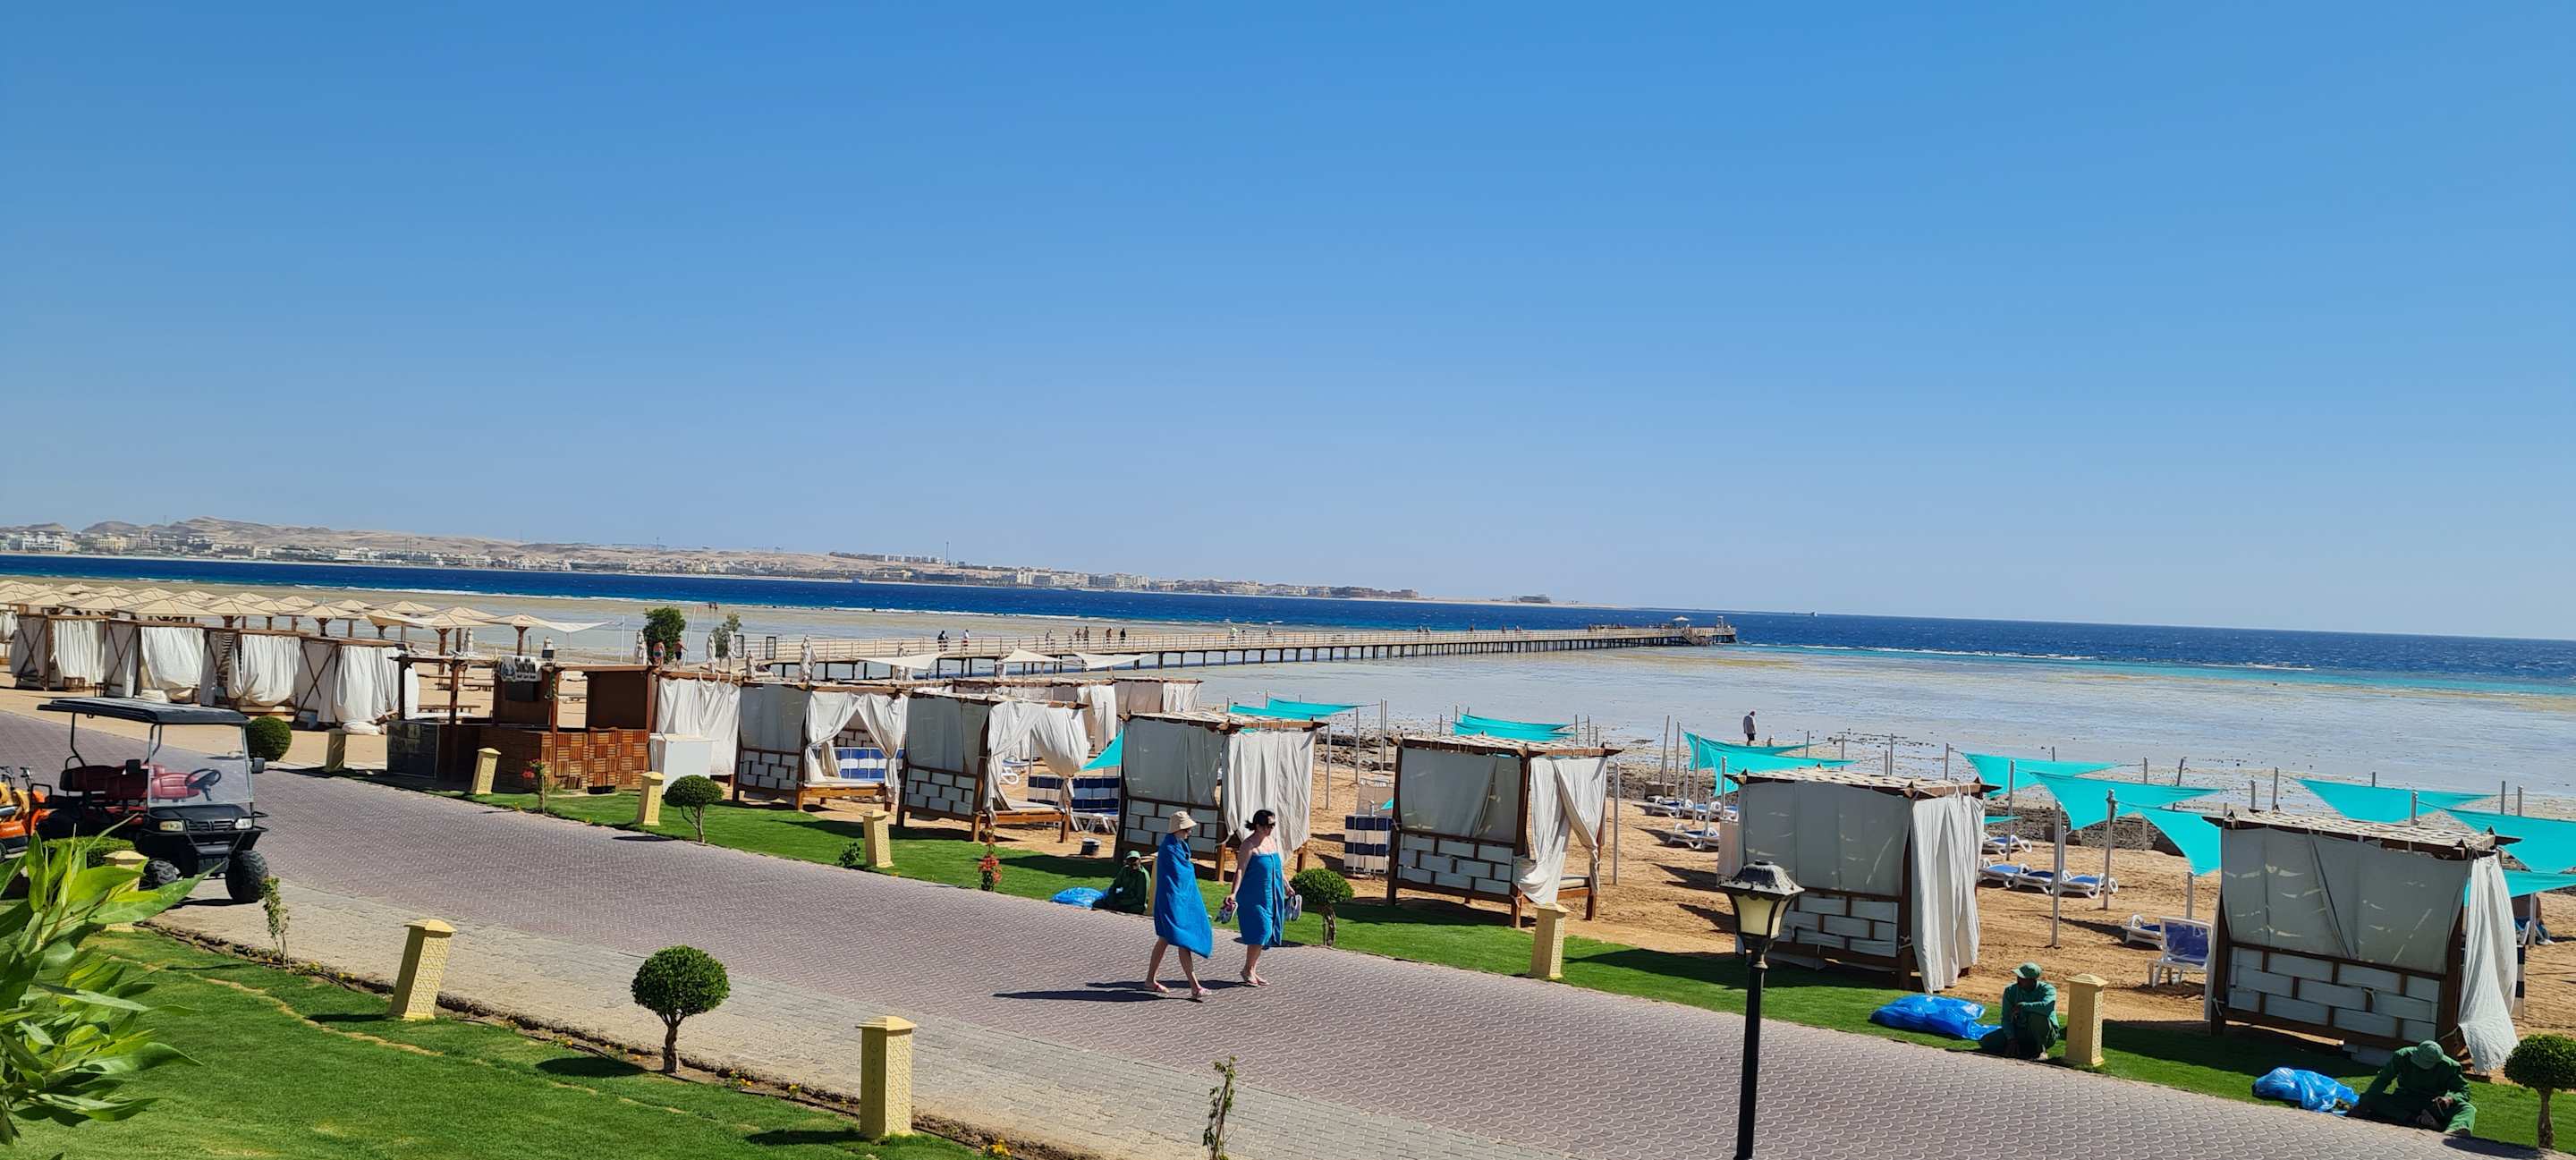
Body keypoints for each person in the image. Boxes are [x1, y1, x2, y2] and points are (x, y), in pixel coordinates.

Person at [1146, 811, 1214, 999]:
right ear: (1177, 829)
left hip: (1178, 901)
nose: (1189, 832)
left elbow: (1184, 876)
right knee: (1183, 940)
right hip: (1172, 902)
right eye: (1186, 829)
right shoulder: (1169, 849)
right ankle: (1195, 986)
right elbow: (1178, 876)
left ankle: (1150, 980)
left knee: (1165, 939)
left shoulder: (1180, 846)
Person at [2354, 1040, 2475, 1134]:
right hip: (2405, 1098)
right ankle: (2418, 1119)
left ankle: (2455, 1131)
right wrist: (2368, 1099)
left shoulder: (2450, 1066)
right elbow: (2383, 1079)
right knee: (2369, 1098)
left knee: (2467, 1109)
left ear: (2439, 1061)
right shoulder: (2402, 1056)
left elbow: (2464, 1091)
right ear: (2416, 1053)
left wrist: (2449, 1099)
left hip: (2433, 1104)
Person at [1228, 809, 1288, 986]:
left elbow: (1278, 868)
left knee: (1266, 932)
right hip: (1253, 896)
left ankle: (1252, 969)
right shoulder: (1248, 845)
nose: (1271, 828)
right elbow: (1240, 870)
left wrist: (1287, 885)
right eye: (1268, 825)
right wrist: (1233, 893)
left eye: (1273, 825)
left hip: (1271, 895)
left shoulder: (1271, 841)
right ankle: (1247, 970)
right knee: (1261, 931)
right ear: (1258, 826)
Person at [1979, 962, 2060, 1058]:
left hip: (2045, 1034)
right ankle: (2022, 1047)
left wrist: (2023, 1006)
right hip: (2020, 1031)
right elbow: (2006, 1018)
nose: (2018, 980)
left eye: (2022, 978)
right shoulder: (2010, 990)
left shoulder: (2047, 989)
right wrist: (2011, 1039)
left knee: (2037, 1016)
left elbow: (2047, 1008)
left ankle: (2041, 1050)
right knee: (1986, 1041)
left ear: (2032, 980)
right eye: (2018, 977)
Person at [1095, 851, 1150, 915]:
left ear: (1140, 861)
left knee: (1137, 908)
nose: (1132, 863)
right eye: (1130, 860)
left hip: (1134, 903)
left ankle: (1116, 908)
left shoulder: (1143, 875)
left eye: (1135, 860)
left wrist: (1122, 903)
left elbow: (1140, 899)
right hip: (1123, 897)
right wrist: (1112, 897)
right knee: (1098, 903)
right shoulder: (1125, 870)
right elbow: (1115, 885)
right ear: (1127, 861)